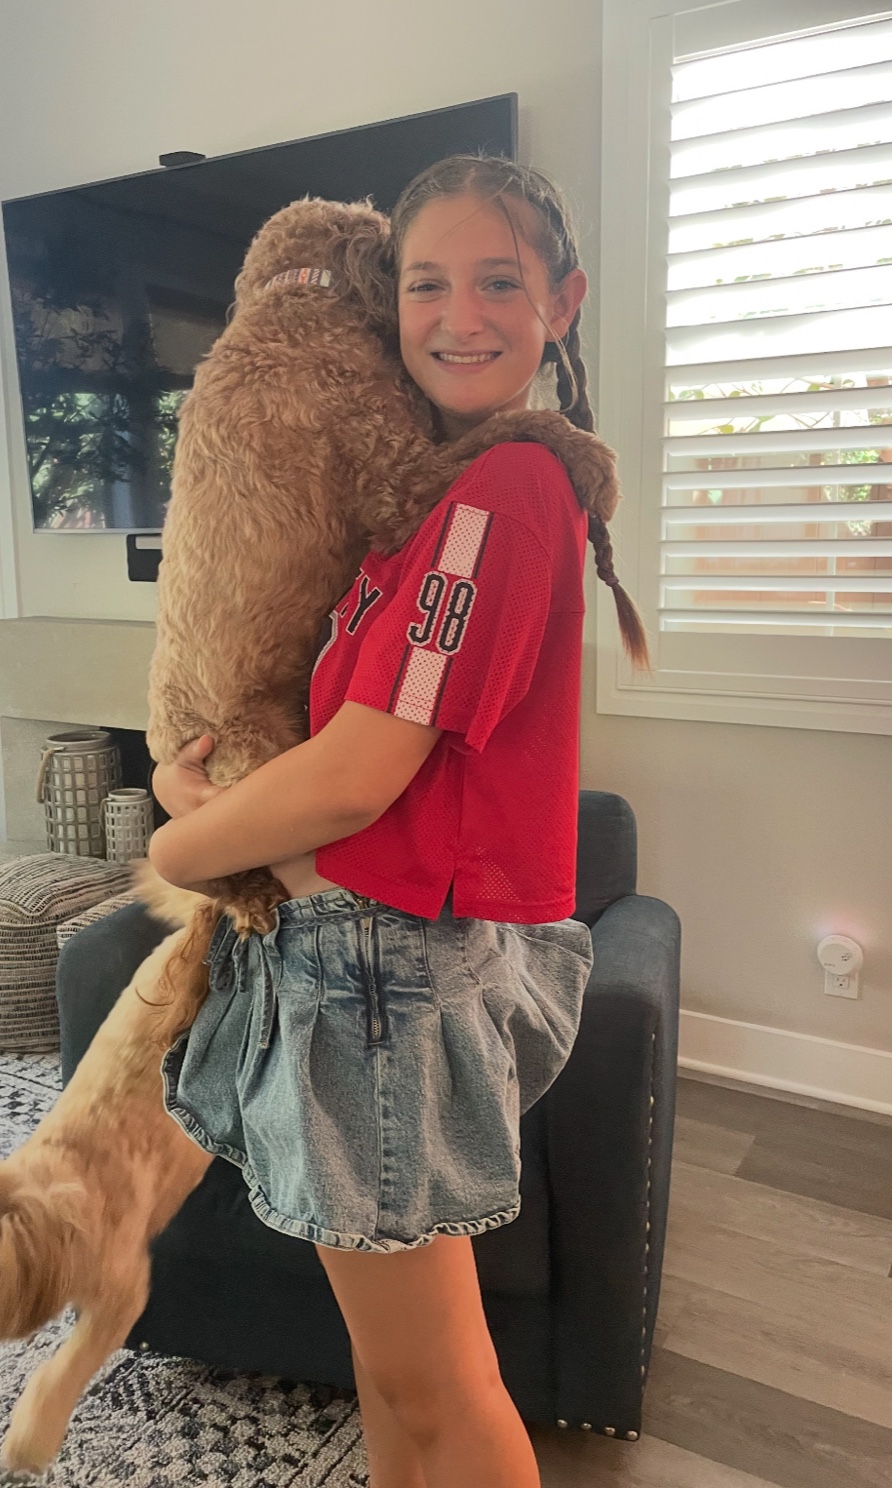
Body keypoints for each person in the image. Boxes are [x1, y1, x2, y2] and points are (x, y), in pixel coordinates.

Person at [145, 155, 645, 1488]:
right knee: (395, 1377)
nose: (459, 314)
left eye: (500, 281)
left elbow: (360, 774)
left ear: (563, 302)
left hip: (386, 976)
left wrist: (175, 843)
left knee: (436, 1385)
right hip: (369, 967)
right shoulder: (431, 515)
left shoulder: (499, 499)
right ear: (385, 309)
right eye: (426, 283)